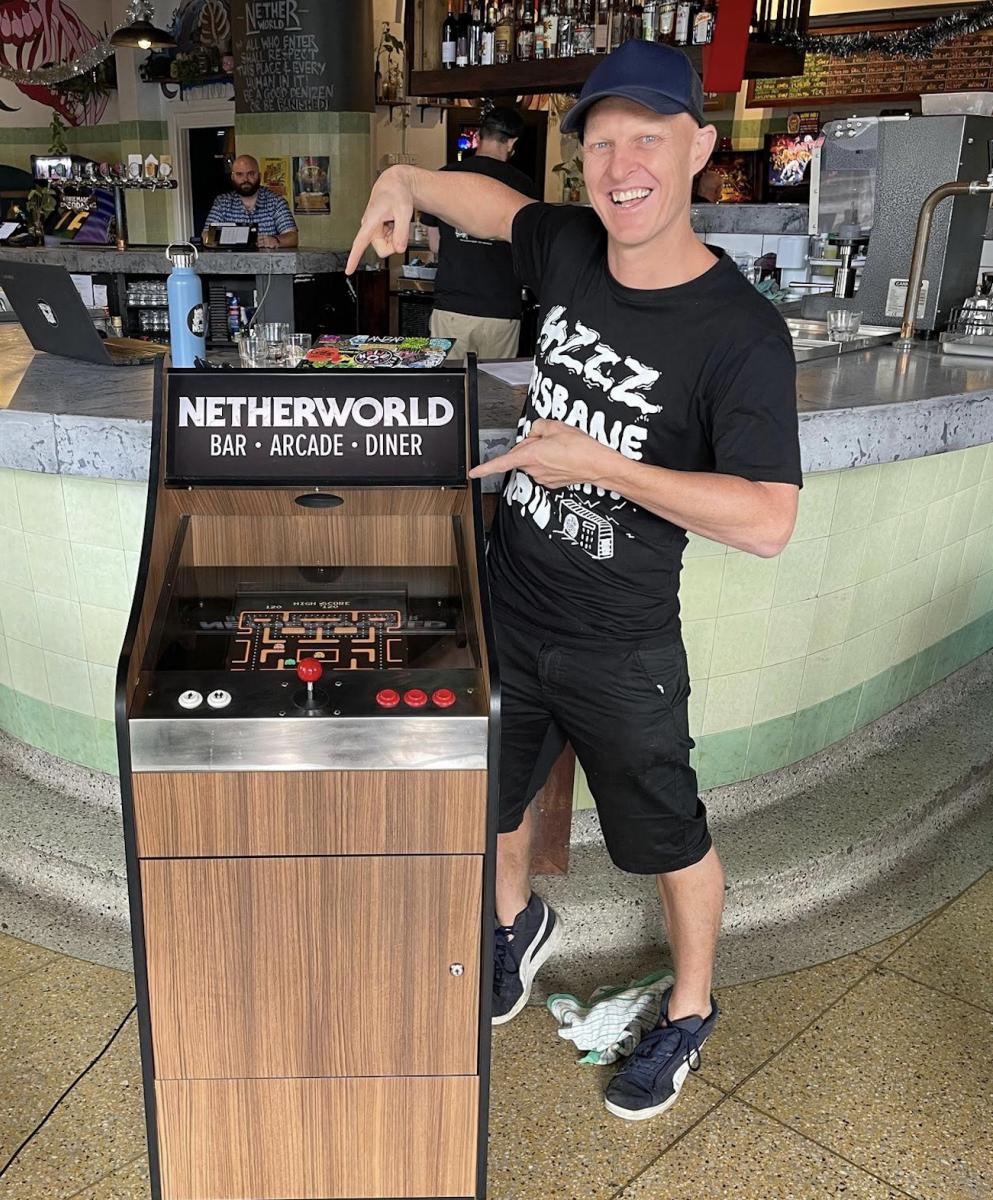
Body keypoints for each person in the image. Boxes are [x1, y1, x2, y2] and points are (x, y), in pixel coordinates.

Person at [347, 40, 801, 1122]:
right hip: (511, 601)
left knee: (668, 837)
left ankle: (689, 1011)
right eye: (601, 143)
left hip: (621, 638)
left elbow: (770, 520)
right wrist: (404, 181)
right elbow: (492, 205)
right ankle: (515, 922)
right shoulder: (571, 247)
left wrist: (593, 463)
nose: (621, 163)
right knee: (493, 796)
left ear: (698, 147)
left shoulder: (739, 333)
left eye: (648, 137)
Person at [421, 107, 538, 360]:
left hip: (452, 308)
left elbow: (434, 244)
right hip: (500, 311)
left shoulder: (444, 177)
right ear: (511, 143)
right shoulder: (523, 185)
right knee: (495, 393)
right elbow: (526, 246)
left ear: (478, 137)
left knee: (451, 390)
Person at [203, 154, 298, 249]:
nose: (245, 179)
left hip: (268, 262)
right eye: (240, 174)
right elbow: (206, 235)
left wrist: (275, 240)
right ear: (232, 177)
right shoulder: (222, 203)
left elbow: (292, 237)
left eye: (251, 174)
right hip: (231, 262)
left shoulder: (276, 202)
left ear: (259, 175)